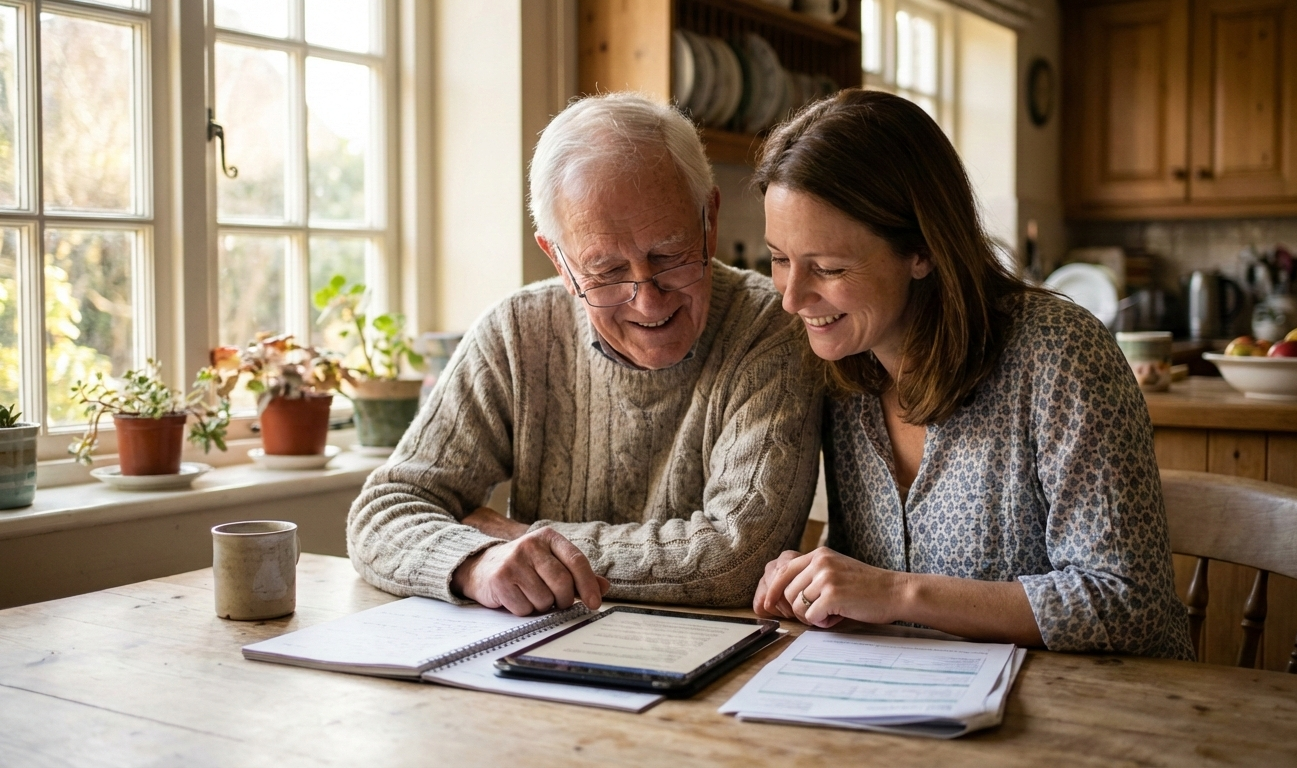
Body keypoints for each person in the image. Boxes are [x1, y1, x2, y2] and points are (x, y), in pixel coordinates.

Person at [751, 90, 1193, 659]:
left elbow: (1128, 604)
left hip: (1098, 704)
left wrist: (896, 593)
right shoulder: (844, 370)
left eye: (829, 268)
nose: (791, 298)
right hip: (918, 698)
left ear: (921, 251)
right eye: (779, 259)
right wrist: (813, 582)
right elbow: (871, 574)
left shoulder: (1060, 352)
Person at [347, 93, 822, 615]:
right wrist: (475, 561)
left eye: (668, 254)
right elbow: (381, 513)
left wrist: (521, 539)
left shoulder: (770, 329)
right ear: (558, 260)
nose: (648, 300)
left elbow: (739, 557)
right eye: (607, 271)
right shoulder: (517, 332)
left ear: (709, 219)